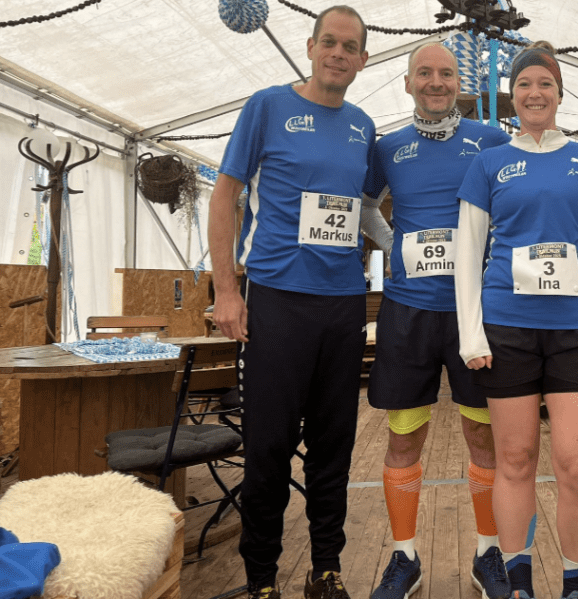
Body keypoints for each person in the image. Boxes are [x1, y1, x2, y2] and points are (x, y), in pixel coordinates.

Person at [208, 6, 372, 599]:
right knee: (269, 447)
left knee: (334, 446)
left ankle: (325, 569)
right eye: (329, 42)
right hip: (276, 301)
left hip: (344, 305)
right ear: (310, 46)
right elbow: (224, 196)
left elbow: (365, 210)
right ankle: (261, 580)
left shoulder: (363, 127)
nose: (338, 53)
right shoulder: (267, 106)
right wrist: (227, 290)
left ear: (363, 59)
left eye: (349, 47)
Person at [454, 42, 578, 599]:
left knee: (577, 463)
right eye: (525, 84)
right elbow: (467, 252)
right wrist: (471, 333)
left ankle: (574, 588)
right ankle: (519, 586)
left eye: (545, 84)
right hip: (507, 328)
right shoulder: (489, 162)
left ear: (559, 93)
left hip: (576, 330)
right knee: (515, 458)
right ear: (513, 95)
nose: (535, 93)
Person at [360, 42, 512, 599]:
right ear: (408, 82)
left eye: (445, 73)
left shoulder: (491, 141)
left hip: (475, 312)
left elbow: (514, 204)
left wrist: (492, 256)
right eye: (424, 73)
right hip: (408, 311)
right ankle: (404, 558)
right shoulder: (388, 147)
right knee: (404, 437)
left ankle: (488, 552)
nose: (435, 82)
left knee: (483, 437)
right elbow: (363, 206)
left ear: (458, 83)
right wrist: (393, 245)